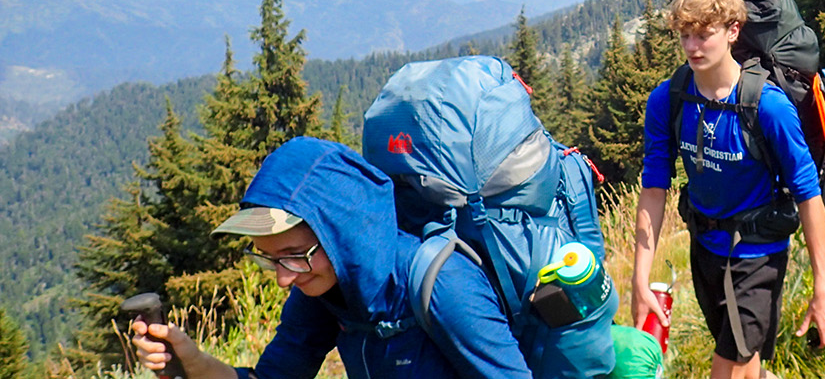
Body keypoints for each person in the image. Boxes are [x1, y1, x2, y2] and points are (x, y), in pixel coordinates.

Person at [130, 137, 532, 379]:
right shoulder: (324, 290)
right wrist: (194, 362)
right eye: (270, 260)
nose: (284, 279)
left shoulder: (441, 284)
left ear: (343, 235)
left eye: (293, 256)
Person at [631, 0, 825, 379]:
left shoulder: (769, 106)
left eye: (704, 35)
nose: (693, 47)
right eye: (685, 35)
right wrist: (640, 280)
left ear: (732, 31)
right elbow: (654, 188)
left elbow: (808, 193)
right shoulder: (668, 99)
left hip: (758, 253)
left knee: (726, 365)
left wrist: (823, 290)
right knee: (744, 358)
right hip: (705, 247)